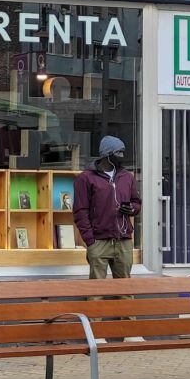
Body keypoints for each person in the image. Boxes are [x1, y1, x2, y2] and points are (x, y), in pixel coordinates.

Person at [73, 135, 143, 342]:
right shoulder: (86, 178)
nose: (122, 156)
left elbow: (136, 202)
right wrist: (90, 240)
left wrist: (132, 209)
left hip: (123, 239)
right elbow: (80, 211)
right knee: (96, 288)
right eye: (118, 153)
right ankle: (95, 333)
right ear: (107, 154)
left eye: (122, 152)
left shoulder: (127, 177)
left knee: (125, 287)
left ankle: (130, 331)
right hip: (100, 241)